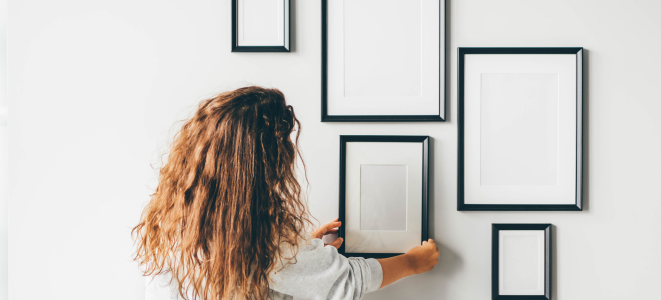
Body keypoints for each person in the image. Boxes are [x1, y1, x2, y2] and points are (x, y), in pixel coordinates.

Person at [133, 86, 439, 300]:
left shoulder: (174, 219)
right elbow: (346, 281)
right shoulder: (261, 239)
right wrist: (414, 261)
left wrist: (302, 250)